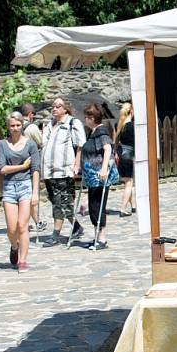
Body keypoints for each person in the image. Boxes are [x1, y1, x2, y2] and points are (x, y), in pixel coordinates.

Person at [0, 112, 41, 273]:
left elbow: (35, 169)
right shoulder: (3, 144)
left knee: (22, 225)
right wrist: (22, 167)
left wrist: (35, 192)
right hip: (9, 186)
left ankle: (23, 260)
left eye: (17, 125)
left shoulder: (30, 144)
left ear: (22, 125)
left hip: (25, 186)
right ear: (8, 127)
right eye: (12, 126)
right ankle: (14, 246)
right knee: (11, 227)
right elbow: (2, 168)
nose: (15, 129)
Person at [40, 97, 86, 247]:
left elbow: (80, 145)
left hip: (64, 169)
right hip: (49, 170)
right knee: (58, 201)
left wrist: (76, 165)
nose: (54, 109)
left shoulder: (72, 123)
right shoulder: (49, 125)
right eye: (53, 106)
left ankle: (55, 234)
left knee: (60, 203)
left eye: (58, 106)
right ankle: (77, 227)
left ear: (65, 108)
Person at [80, 103, 116, 250]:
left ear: (92, 118)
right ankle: (97, 237)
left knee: (98, 206)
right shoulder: (93, 133)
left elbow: (107, 148)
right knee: (93, 206)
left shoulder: (101, 132)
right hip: (92, 177)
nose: (85, 120)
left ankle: (102, 239)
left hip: (99, 177)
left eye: (87, 117)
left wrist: (103, 169)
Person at [21, 103, 46, 232]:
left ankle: (36, 221)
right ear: (30, 114)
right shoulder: (31, 127)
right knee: (30, 195)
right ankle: (36, 221)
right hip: (30, 164)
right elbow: (41, 143)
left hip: (19, 163)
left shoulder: (16, 125)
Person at [114, 102, 136, 217]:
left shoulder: (119, 125)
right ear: (131, 112)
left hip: (120, 153)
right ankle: (123, 209)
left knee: (127, 180)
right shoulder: (132, 126)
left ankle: (133, 206)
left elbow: (115, 141)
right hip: (129, 154)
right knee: (129, 182)